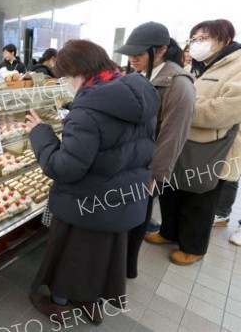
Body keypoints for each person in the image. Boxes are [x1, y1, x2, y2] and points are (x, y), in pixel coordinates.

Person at [27, 40, 159, 326]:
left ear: (79, 72)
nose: (64, 83)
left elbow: (65, 168)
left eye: (64, 77)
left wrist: (40, 133)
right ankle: (91, 300)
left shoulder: (87, 111)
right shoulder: (139, 93)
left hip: (86, 203)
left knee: (72, 255)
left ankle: (57, 300)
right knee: (101, 255)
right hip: (124, 200)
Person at [146, 19, 241, 265]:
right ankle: (169, 232)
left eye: (204, 38)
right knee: (171, 190)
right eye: (194, 39)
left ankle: (193, 247)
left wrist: (180, 108)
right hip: (182, 141)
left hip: (210, 147)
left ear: (225, 40)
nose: (197, 44)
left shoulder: (236, 66)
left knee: (199, 198)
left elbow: (227, 110)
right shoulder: (198, 66)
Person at [115, 21, 195, 278]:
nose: (132, 59)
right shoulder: (139, 74)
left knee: (138, 217)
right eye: (130, 54)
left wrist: (155, 176)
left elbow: (173, 136)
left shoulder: (178, 84)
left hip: (147, 167)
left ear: (160, 50)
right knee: (123, 216)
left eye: (138, 54)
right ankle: (115, 264)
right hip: (128, 161)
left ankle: (126, 270)